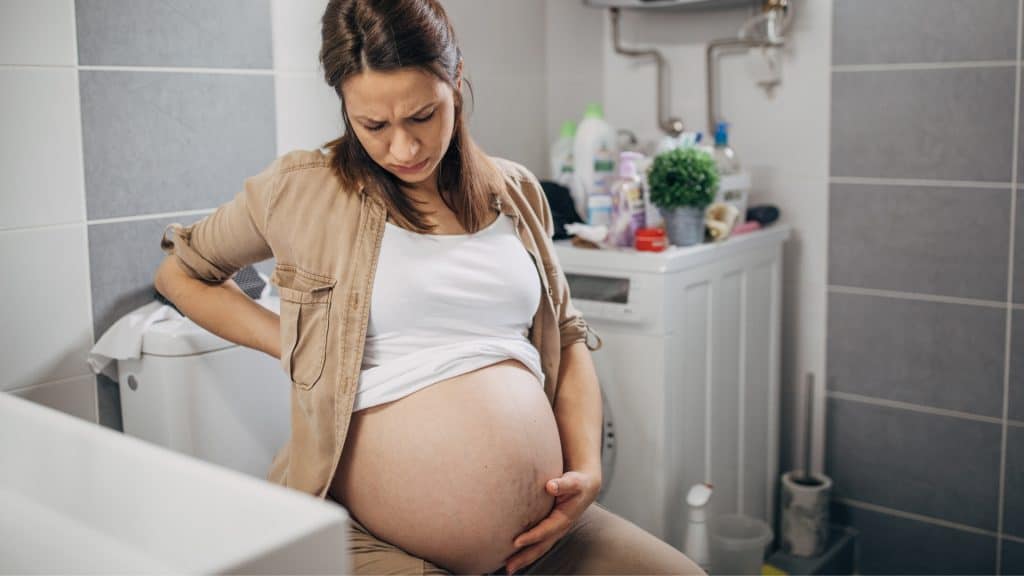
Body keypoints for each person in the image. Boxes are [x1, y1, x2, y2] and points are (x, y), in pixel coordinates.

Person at [155, 0, 703, 574]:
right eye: (374, 125)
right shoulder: (300, 189)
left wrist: (587, 471)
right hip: (370, 538)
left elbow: (567, 341)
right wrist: (291, 342)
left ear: (455, 79)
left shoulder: (515, 192)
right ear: (344, 104)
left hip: (547, 535)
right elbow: (180, 272)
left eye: (422, 116)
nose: (404, 148)